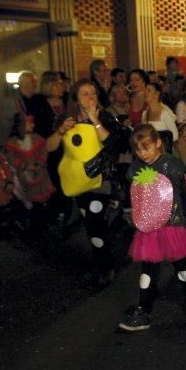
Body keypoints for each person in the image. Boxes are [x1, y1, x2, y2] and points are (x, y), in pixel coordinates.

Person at [118, 124, 186, 331]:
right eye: (138, 149)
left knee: (182, 266)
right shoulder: (137, 167)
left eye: (146, 147)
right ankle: (144, 310)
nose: (143, 153)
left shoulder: (172, 166)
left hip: (173, 226)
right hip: (149, 228)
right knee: (147, 271)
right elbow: (137, 197)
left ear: (158, 143)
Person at [47, 79, 127, 285]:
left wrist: (96, 121)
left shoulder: (105, 117)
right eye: (85, 93)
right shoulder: (67, 119)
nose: (91, 97)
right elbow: (49, 147)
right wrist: (60, 131)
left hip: (101, 181)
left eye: (93, 93)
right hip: (79, 182)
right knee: (93, 227)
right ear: (75, 98)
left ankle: (105, 267)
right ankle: (103, 263)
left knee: (95, 224)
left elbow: (115, 145)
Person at [5, 114, 55, 228]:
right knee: (27, 201)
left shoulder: (38, 139)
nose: (33, 125)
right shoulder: (12, 142)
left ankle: (41, 223)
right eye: (29, 123)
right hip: (24, 177)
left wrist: (38, 164)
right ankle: (31, 223)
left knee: (40, 202)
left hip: (39, 174)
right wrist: (24, 165)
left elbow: (44, 152)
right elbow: (11, 158)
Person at [142, 82, 178, 154]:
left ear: (157, 94)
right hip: (150, 153)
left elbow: (175, 136)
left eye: (148, 90)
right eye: (145, 90)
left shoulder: (164, 113)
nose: (145, 93)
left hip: (163, 153)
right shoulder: (144, 114)